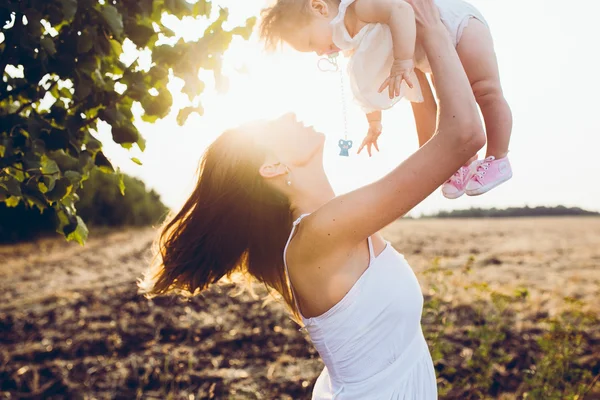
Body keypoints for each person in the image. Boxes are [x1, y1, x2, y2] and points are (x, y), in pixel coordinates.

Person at [138, 0, 485, 397]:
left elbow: (438, 144)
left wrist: (398, 54)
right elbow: (463, 138)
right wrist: (433, 28)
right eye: (271, 127)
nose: (285, 115)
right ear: (271, 167)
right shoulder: (321, 234)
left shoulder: (332, 223)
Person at [260, 0, 512, 199]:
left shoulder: (358, 7)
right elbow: (364, 78)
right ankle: (463, 165)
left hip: (457, 26)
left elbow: (400, 10)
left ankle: (498, 158)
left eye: (311, 41)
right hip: (431, 54)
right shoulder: (349, 40)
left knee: (484, 90)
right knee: (448, 108)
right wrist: (374, 123)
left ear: (319, 7)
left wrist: (403, 61)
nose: (319, 51)